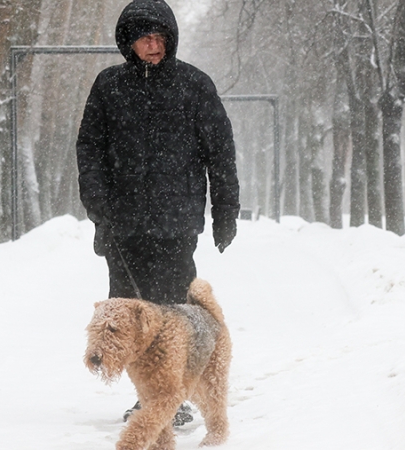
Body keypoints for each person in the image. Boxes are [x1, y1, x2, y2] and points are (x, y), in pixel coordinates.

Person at [76, 0, 239, 425]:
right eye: (145, 37)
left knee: (171, 312)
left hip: (175, 222)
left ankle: (174, 397)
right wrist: (98, 204)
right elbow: (89, 150)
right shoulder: (108, 86)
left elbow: (219, 153)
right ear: (128, 42)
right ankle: (145, 395)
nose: (154, 45)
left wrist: (226, 211)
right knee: (128, 313)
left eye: (161, 37)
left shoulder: (193, 85)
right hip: (121, 223)